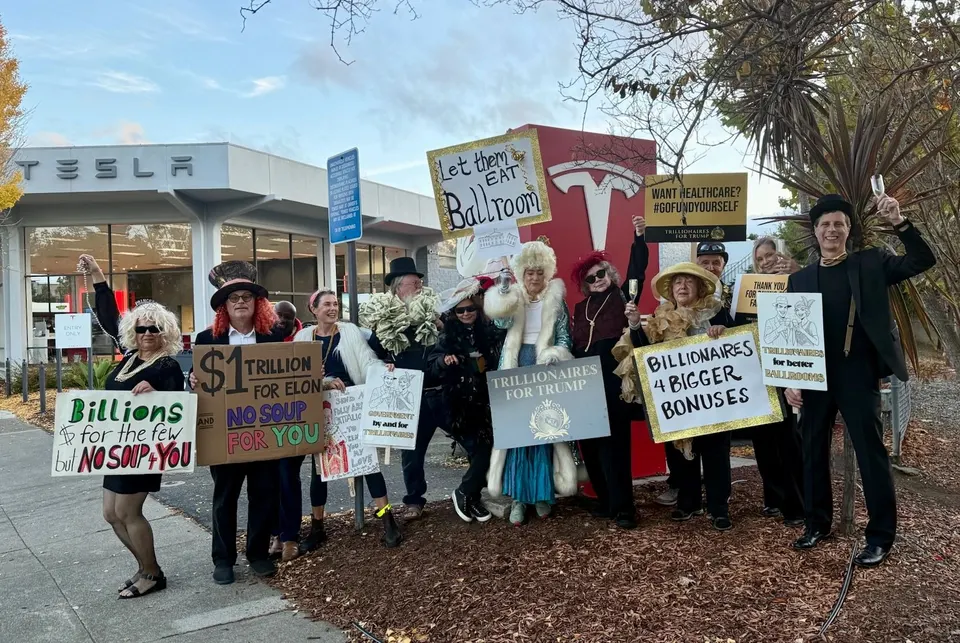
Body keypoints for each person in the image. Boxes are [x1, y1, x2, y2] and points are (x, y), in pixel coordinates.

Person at [784, 193, 936, 567]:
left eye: (839, 223)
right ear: (815, 232)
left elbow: (923, 260)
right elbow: (788, 335)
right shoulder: (799, 280)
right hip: (815, 377)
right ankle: (816, 523)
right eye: (825, 224)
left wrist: (899, 222)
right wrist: (790, 381)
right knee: (812, 451)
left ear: (848, 229)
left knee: (871, 454)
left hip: (858, 372)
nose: (832, 230)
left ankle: (881, 536)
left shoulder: (871, 263)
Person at [78, 254, 184, 599]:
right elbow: (109, 315)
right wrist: (97, 276)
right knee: (110, 513)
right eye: (141, 328)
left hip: (145, 450)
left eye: (155, 328)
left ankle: (152, 573)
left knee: (128, 510)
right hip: (117, 448)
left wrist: (158, 392)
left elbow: (176, 405)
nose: (148, 333)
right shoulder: (130, 358)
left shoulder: (165, 365)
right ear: (133, 333)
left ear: (164, 332)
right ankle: (143, 566)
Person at [188, 261, 287, 585]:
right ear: (224, 306)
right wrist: (192, 380)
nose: (241, 301)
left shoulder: (274, 337)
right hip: (224, 433)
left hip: (263, 434)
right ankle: (223, 559)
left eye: (247, 296)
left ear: (257, 303)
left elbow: (289, 378)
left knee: (264, 494)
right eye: (234, 298)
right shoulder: (206, 339)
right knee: (225, 497)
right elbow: (198, 382)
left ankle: (257, 554)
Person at [289, 288, 402, 550]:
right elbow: (295, 378)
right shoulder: (303, 338)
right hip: (320, 409)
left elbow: (366, 363)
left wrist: (383, 370)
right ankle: (318, 527)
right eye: (326, 304)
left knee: (368, 463)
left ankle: (387, 520)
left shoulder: (350, 332)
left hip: (352, 406)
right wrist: (323, 382)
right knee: (320, 470)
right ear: (314, 309)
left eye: (335, 304)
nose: (332, 308)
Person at [627, 262, 735, 531]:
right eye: (678, 282)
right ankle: (688, 503)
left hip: (713, 397)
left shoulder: (716, 312)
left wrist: (722, 333)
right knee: (680, 450)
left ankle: (718, 507)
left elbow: (738, 346)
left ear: (699, 287)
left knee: (715, 450)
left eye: (689, 281)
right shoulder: (660, 317)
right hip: (678, 399)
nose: (683, 286)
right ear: (671, 291)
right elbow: (645, 353)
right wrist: (634, 326)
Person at [483, 240, 579, 526]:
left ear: (546, 273)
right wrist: (501, 292)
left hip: (545, 367)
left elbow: (565, 338)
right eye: (529, 273)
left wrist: (556, 353)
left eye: (539, 272)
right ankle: (518, 499)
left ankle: (541, 495)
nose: (534, 278)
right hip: (516, 366)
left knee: (545, 431)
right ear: (521, 274)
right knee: (517, 436)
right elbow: (500, 323)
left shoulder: (556, 300)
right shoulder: (513, 296)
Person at [569, 215, 649, 529]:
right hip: (584, 385)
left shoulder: (623, 296)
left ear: (609, 273)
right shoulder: (579, 308)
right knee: (590, 447)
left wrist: (639, 238)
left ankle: (625, 508)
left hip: (612, 382)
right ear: (584, 285)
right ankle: (605, 501)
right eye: (590, 278)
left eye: (601, 273)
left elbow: (637, 272)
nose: (598, 279)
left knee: (615, 447)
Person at [359, 257, 442, 520]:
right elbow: (372, 355)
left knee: (473, 441)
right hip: (408, 396)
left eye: (420, 281)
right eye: (413, 282)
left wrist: (443, 326)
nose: (419, 285)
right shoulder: (383, 319)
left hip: (439, 390)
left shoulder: (434, 312)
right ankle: (414, 500)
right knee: (412, 454)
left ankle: (472, 491)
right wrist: (384, 365)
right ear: (398, 287)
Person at [732, 239, 806, 527]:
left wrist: (796, 272)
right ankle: (773, 499)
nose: (765, 262)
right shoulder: (745, 289)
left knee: (788, 441)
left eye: (770, 255)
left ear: (781, 255)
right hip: (755, 376)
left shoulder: (794, 282)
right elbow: (737, 326)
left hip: (785, 372)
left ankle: (796, 505)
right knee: (763, 444)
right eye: (760, 258)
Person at [429, 276, 505, 524]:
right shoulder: (446, 337)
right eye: (460, 310)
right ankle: (464, 492)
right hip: (460, 402)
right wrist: (444, 361)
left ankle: (470, 497)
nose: (465, 313)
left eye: (470, 308)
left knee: (485, 450)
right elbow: (431, 364)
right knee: (482, 449)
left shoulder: (490, 330)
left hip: (487, 399)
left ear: (477, 307)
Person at [268, 299, 306, 561]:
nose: (282, 321)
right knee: (268, 481)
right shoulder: (260, 339)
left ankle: (290, 536)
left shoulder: (305, 342)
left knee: (287, 476)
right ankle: (274, 534)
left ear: (295, 320)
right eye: (278, 316)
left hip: (294, 422)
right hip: (263, 422)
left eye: (287, 317)